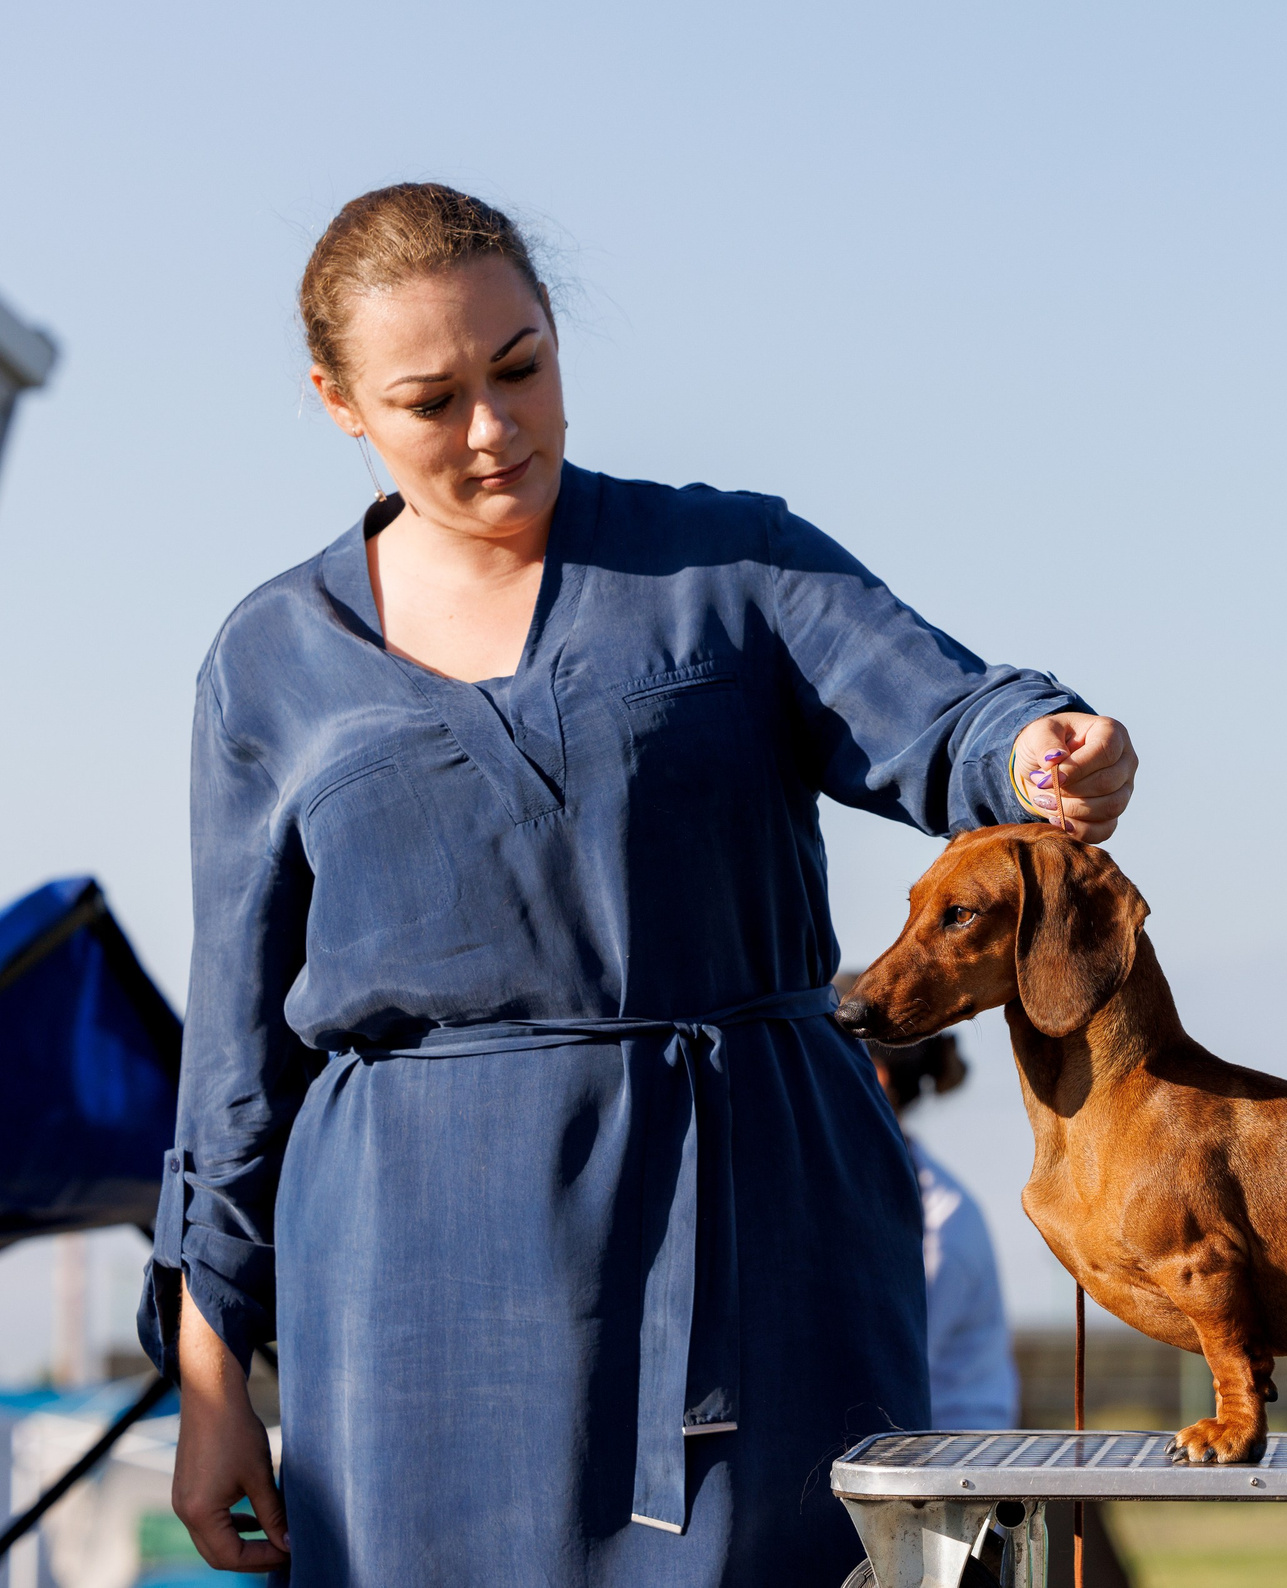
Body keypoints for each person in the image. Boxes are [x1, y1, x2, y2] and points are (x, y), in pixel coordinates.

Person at [141, 183, 1138, 1586]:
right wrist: (210, 1382)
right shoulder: (267, 662)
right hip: (408, 1287)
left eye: (521, 369)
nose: (493, 429)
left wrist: (1044, 752)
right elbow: (236, 1068)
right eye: (432, 401)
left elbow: (948, 716)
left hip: (754, 1229)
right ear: (339, 402)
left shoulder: (734, 563)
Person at [850, 1027, 1017, 1430]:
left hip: (957, 1455)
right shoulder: (906, 1195)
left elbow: (890, 1367)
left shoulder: (945, 1227)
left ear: (876, 1077)